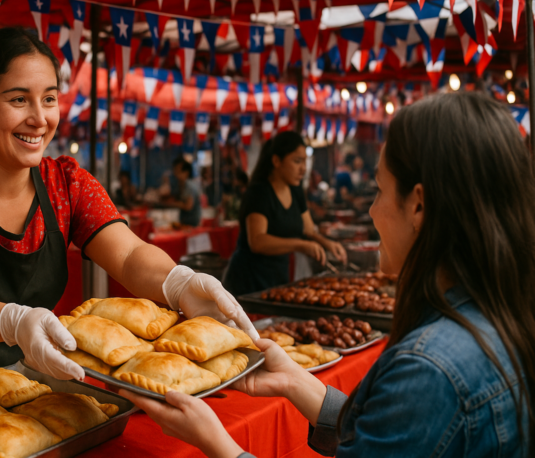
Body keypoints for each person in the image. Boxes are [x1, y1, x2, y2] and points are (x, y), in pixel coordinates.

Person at [120, 92, 534, 457]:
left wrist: (215, 441)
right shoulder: (500, 318)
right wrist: (298, 384)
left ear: (419, 206)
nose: (372, 210)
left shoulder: (430, 372)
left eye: (379, 190)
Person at [0, 28, 258, 399]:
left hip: (13, 389)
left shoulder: (67, 183)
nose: (40, 117)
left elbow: (130, 254)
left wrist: (178, 282)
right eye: (18, 99)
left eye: (49, 98)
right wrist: (13, 322)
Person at [223, 132, 346, 296]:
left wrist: (327, 243)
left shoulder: (296, 191)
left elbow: (308, 230)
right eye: (297, 161)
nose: (303, 168)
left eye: (305, 161)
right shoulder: (259, 193)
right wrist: (300, 245)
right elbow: (257, 241)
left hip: (277, 276)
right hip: (248, 280)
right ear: (276, 161)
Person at [162, 156, 202, 227]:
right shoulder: (181, 185)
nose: (175, 173)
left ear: (186, 172)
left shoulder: (189, 185)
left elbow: (188, 206)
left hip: (192, 225)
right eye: (175, 170)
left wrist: (172, 204)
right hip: (185, 224)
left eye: (178, 171)